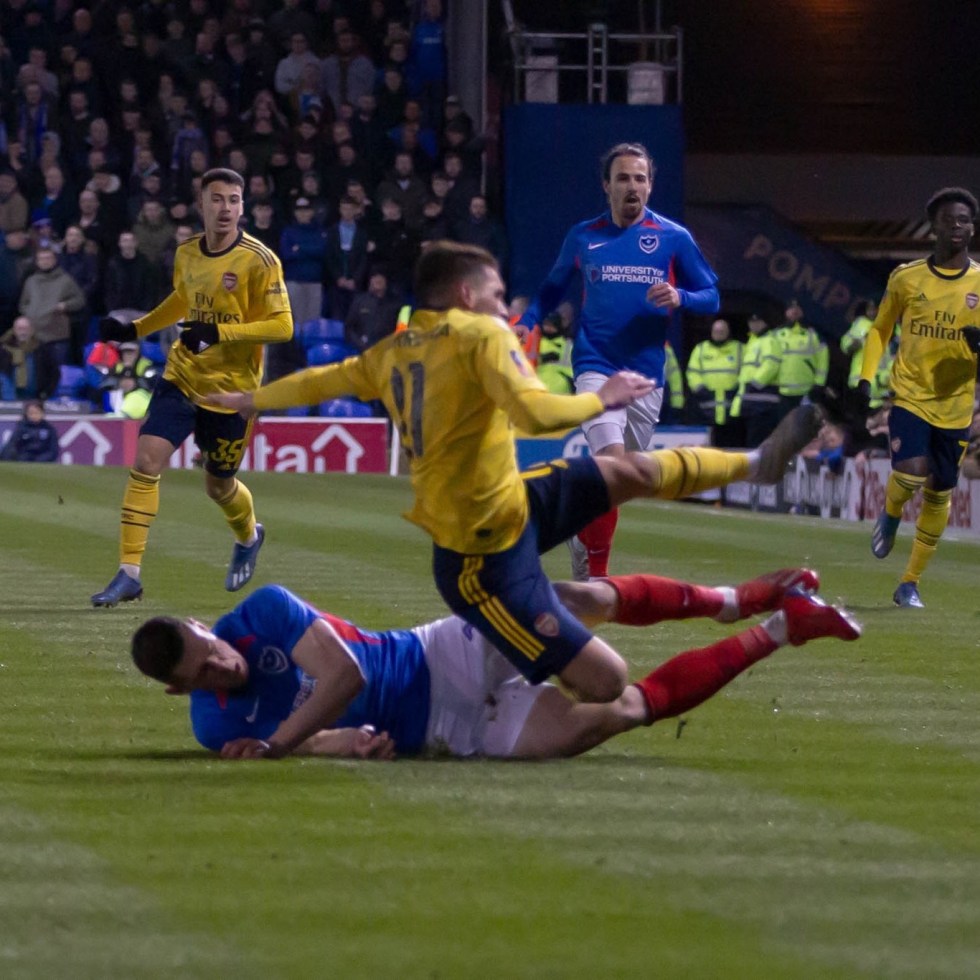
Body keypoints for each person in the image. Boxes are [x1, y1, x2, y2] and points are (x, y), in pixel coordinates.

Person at [206, 241, 824, 707]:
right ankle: (496, 663)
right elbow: (535, 414)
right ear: (466, 295)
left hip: (514, 503)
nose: (506, 307)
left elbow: (322, 380)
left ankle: (757, 465)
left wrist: (251, 400)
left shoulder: (391, 351)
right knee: (606, 683)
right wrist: (601, 398)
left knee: (630, 469)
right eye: (498, 294)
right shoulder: (481, 333)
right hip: (481, 563)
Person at [129, 572, 859, 760]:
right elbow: (320, 732)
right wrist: (335, 744)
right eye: (205, 673)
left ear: (206, 625)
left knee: (567, 599)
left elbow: (346, 676)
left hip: (440, 653)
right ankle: (782, 628)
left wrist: (282, 746)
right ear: (177, 690)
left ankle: (735, 600)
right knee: (619, 711)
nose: (223, 664)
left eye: (212, 648)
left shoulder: (260, 612)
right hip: (448, 733)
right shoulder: (211, 727)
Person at [90, 167, 293, 608]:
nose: (226, 208)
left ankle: (249, 535)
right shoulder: (187, 252)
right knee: (146, 461)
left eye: (234, 200)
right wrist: (135, 329)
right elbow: (183, 299)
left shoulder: (260, 260)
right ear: (201, 204)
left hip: (231, 393)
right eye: (217, 199)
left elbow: (283, 326)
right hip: (182, 376)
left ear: (242, 206)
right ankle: (129, 573)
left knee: (218, 487)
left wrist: (219, 333)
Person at [517, 143, 720, 581]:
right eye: (623, 178)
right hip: (596, 365)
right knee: (610, 462)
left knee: (621, 481)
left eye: (640, 178)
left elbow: (712, 296)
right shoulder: (584, 236)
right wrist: (527, 321)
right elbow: (553, 288)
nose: (633, 186)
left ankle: (580, 537)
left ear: (651, 185)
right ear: (606, 185)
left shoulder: (673, 237)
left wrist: (681, 296)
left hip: (646, 376)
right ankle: (598, 581)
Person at [860, 187, 980, 609]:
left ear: (972, 228)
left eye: (964, 220)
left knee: (940, 492)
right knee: (911, 474)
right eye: (948, 220)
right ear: (933, 228)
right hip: (911, 395)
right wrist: (865, 375)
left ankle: (909, 583)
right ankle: (891, 512)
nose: (957, 226)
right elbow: (881, 329)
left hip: (956, 405)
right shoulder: (906, 277)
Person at [685, 318, 743, 447]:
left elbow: (747, 371)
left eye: (722, 331)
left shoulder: (739, 348)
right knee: (708, 445)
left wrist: (739, 389)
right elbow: (692, 372)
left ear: (728, 332)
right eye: (716, 331)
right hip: (706, 405)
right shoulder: (701, 349)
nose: (718, 334)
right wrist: (700, 389)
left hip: (732, 406)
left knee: (732, 443)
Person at [730, 313, 781, 448]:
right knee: (750, 440)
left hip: (763, 401)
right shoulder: (753, 342)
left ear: (765, 323)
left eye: (758, 322)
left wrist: (755, 384)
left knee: (759, 441)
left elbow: (771, 364)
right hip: (750, 401)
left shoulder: (770, 340)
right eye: (751, 322)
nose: (754, 325)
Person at [774, 299, 828, 419]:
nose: (794, 311)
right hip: (782, 393)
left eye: (797, 308)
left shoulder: (814, 334)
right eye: (791, 308)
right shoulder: (776, 335)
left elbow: (823, 361)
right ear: (785, 312)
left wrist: (819, 384)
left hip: (806, 393)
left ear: (802, 312)